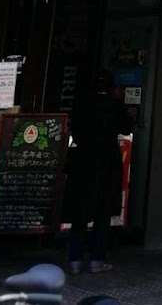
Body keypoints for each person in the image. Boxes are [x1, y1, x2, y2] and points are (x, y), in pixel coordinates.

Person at [63, 68, 133, 275]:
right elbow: (127, 127)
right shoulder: (115, 106)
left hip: (82, 161)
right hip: (107, 162)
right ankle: (97, 260)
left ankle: (74, 261)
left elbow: (74, 128)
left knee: (80, 213)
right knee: (103, 213)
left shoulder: (82, 104)